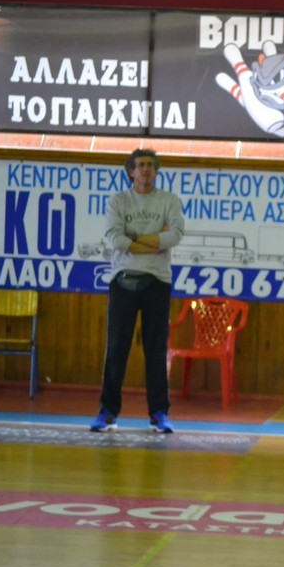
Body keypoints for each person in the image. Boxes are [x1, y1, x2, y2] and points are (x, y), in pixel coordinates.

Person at [90, 149, 184, 433]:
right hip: (122, 280)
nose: (145, 170)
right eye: (140, 165)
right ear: (131, 171)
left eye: (150, 165)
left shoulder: (169, 200)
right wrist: (155, 241)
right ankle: (108, 412)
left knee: (156, 350)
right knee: (116, 348)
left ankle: (159, 414)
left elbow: (175, 235)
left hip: (157, 280)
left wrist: (134, 238)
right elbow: (115, 240)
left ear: (156, 171)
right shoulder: (118, 201)